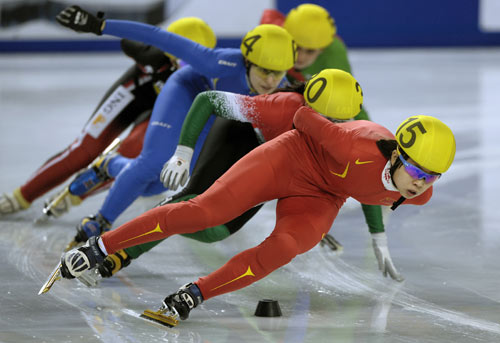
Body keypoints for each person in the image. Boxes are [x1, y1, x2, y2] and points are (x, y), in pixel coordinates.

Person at [59, 106, 455, 322]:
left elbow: (374, 191)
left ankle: (195, 293)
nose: (422, 183)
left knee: (286, 247)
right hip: (290, 157)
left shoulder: (416, 195)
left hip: (323, 195)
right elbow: (302, 117)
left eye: (432, 176)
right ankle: (101, 247)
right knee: (206, 212)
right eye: (417, 171)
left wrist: (377, 236)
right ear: (397, 154)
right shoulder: (354, 145)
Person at [96, 69, 399, 283]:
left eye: (345, 121)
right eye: (329, 120)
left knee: (213, 233)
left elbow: (367, 179)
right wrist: (183, 153)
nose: (336, 128)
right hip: (241, 143)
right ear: (308, 107)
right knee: (195, 208)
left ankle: (128, 180)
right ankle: (125, 248)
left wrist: (376, 234)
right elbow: (208, 100)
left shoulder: (353, 134)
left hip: (288, 170)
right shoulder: (281, 109)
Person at [54, 5, 296, 248]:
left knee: (158, 183)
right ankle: (99, 221)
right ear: (247, 62)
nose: (271, 81)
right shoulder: (217, 63)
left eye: (278, 73)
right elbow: (159, 37)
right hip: (185, 92)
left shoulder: (283, 89)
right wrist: (101, 26)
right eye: (265, 71)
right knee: (153, 162)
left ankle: (109, 165)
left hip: (210, 110)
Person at [0, 17, 217, 218]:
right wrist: (149, 53)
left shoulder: (204, 74)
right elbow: (127, 42)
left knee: (131, 154)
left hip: (159, 109)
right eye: (180, 56)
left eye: (194, 58)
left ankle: (78, 193)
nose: (185, 65)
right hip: (132, 93)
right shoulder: (153, 53)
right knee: (84, 150)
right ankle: (23, 195)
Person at [260, 2, 391, 260]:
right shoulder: (271, 36)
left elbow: (348, 106)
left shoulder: (335, 53)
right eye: (297, 46)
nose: (301, 56)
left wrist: (375, 143)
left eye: (311, 51)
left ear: (324, 48)